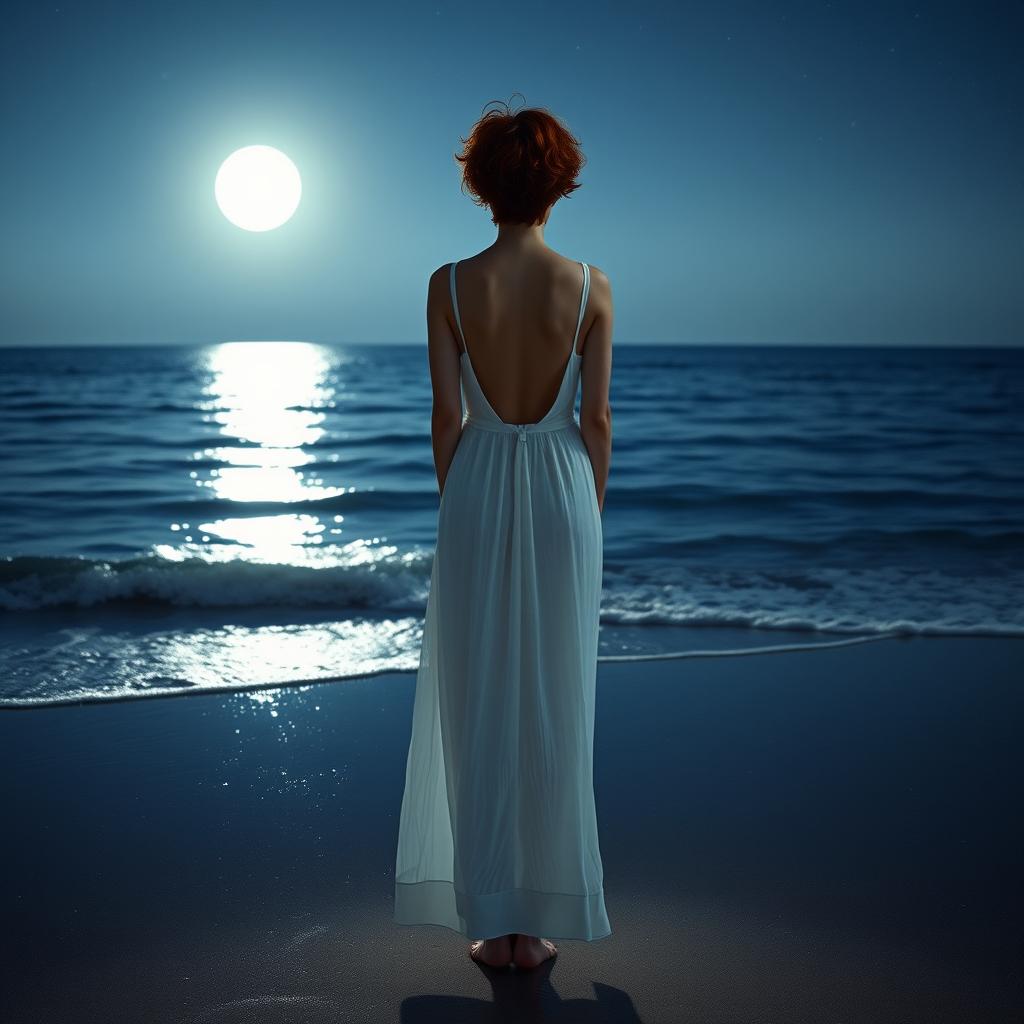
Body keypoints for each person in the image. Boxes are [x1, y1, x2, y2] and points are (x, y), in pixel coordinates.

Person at [393, 96, 614, 971]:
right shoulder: (593, 284)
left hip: (477, 489)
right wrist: (584, 510)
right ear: (561, 182)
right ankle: (543, 918)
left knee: (479, 698)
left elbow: (446, 420)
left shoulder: (448, 284)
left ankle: (495, 920)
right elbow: (595, 421)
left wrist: (466, 503)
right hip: (565, 493)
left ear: (480, 184)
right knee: (557, 700)